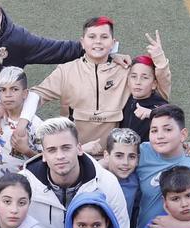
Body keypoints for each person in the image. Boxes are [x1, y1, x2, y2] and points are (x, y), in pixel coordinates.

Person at [28, 18, 171, 147]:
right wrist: (21, 120)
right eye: (92, 37)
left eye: (104, 37)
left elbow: (160, 93)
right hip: (75, 153)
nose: (98, 41)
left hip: (113, 156)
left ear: (113, 43)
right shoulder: (65, 71)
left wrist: (159, 59)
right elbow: (37, 94)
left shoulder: (125, 71)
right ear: (82, 42)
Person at [19, 117, 130, 228]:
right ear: (43, 155)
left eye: (66, 148)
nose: (60, 156)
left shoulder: (107, 183)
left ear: (79, 149)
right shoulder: (23, 185)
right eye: (52, 150)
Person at [120, 55, 170, 140]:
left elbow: (173, 121)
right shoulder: (123, 100)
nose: (138, 82)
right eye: (133, 76)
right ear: (128, 80)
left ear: (154, 84)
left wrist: (151, 114)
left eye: (145, 78)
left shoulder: (160, 106)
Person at [102, 128, 142, 224]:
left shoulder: (136, 181)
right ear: (107, 156)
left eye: (132, 156)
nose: (125, 163)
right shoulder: (96, 180)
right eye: (119, 156)